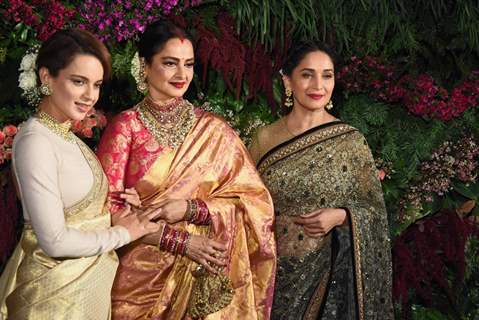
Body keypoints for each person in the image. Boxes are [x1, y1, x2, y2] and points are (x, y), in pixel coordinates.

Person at [96, 19, 276, 319]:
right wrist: (183, 242)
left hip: (202, 272)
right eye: (170, 63)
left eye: (189, 64)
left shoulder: (214, 130)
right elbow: (106, 212)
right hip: (139, 278)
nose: (182, 74)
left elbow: (256, 203)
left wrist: (191, 209)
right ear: (144, 65)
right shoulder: (125, 128)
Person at [0, 29, 160, 320]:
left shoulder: (66, 137)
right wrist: (123, 233)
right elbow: (54, 241)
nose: (90, 96)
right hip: (52, 302)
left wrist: (116, 214)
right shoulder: (35, 140)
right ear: (47, 78)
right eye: (78, 81)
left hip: (81, 296)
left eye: (96, 84)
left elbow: (77, 216)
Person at [249, 40, 394, 319]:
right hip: (269, 276)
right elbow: (243, 202)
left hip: (327, 280)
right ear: (287, 81)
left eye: (327, 75)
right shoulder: (264, 139)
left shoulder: (349, 142)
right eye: (307, 74)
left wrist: (341, 216)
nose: (318, 85)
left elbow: (375, 214)